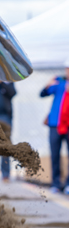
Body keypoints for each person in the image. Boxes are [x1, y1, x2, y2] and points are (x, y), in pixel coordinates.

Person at [41, 59, 69, 194]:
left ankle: (68, 184)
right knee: (55, 154)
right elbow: (42, 94)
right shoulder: (59, 83)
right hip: (55, 124)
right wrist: (48, 85)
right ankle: (56, 183)